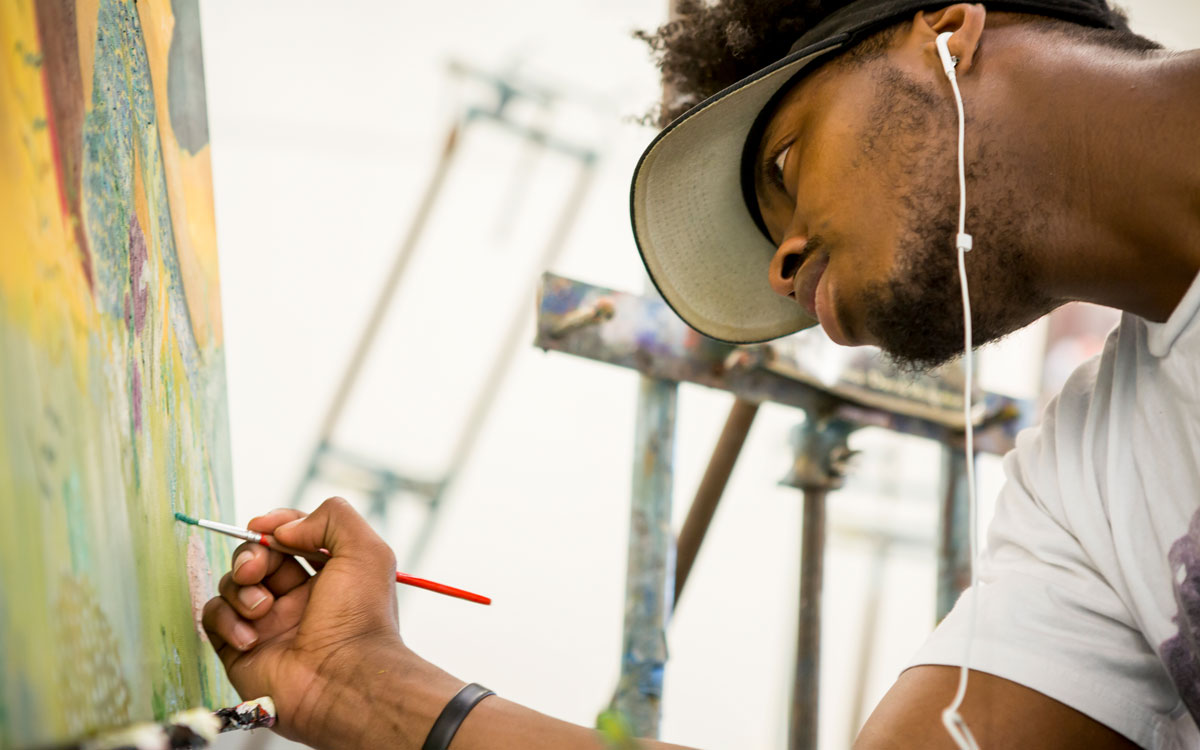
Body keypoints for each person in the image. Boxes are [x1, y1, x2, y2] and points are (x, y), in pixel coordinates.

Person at [203, 0, 1200, 746]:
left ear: (948, 32)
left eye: (783, 167)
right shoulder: (1087, 490)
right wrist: (358, 682)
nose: (786, 268)